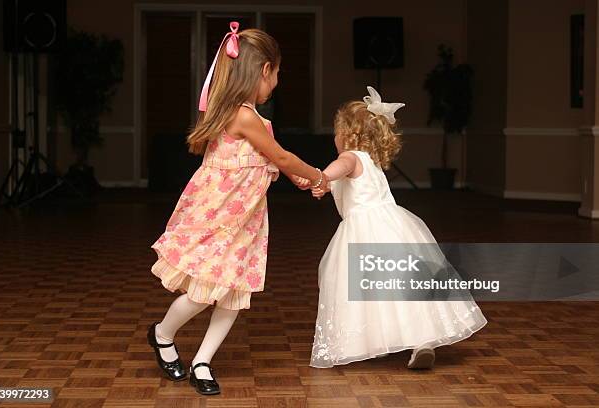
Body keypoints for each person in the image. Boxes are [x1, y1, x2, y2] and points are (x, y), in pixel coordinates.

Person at [147, 22, 329, 395]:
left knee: (233, 291)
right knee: (204, 291)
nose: (276, 84)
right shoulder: (242, 115)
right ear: (264, 71)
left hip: (245, 218)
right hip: (219, 216)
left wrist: (293, 177)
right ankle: (162, 333)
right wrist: (315, 175)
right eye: (276, 75)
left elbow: (267, 160)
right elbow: (279, 154)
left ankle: (202, 360)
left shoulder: (247, 115)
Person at [295, 86, 487, 369]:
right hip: (395, 227)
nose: (334, 138)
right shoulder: (371, 160)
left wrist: (321, 177)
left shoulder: (349, 157)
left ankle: (378, 339)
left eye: (336, 132)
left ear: (347, 134)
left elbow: (337, 170)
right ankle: (422, 341)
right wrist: (323, 185)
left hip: (363, 232)